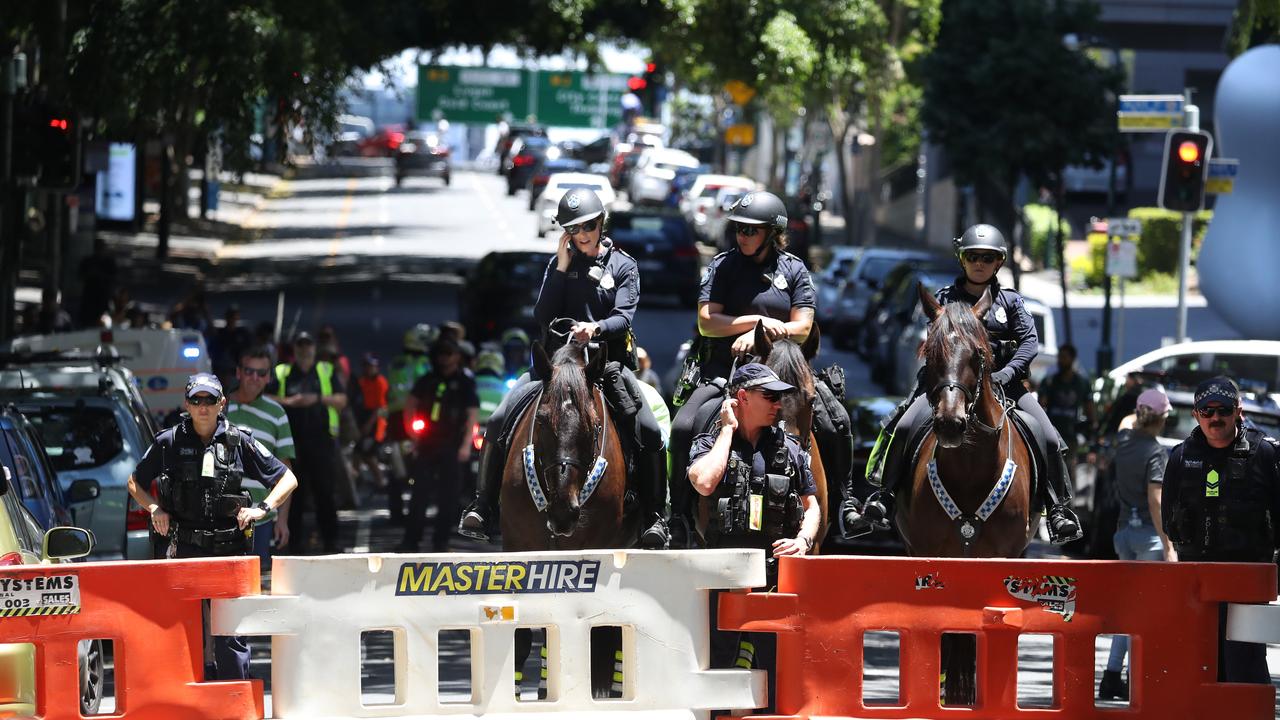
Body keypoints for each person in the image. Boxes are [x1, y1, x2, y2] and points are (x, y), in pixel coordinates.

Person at [847, 223, 1083, 544]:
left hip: (1004, 384)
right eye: (973, 256)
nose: (980, 263)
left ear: (999, 262)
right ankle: (884, 497)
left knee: (1049, 436)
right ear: (962, 258)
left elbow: (1029, 344)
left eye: (988, 257)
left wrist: (1008, 373)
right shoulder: (945, 299)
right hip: (949, 383)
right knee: (903, 427)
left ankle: (1058, 510)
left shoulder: (1011, 303)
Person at [460, 188, 670, 548]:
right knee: (498, 419)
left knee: (648, 428)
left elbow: (624, 317)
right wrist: (559, 267)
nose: (583, 233)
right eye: (574, 228)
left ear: (601, 223)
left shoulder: (623, 265)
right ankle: (483, 507)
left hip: (606, 365)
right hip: (557, 365)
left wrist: (596, 329)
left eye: (588, 225)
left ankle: (654, 517)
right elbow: (542, 315)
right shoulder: (560, 263)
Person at [126, 373, 298, 680]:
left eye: (209, 400)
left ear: (222, 403)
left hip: (227, 550)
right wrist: (155, 508)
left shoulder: (239, 441)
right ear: (187, 404)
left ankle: (235, 701)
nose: (203, 407)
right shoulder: (169, 441)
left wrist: (262, 508)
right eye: (196, 400)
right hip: (185, 551)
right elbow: (134, 482)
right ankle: (186, 705)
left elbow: (287, 478)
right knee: (182, 630)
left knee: (230, 634)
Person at [669, 191, 815, 546]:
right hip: (726, 371)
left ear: (773, 232)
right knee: (683, 424)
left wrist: (765, 332)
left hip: (783, 371)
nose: (743, 237)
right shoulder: (723, 265)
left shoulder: (794, 269)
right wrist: (755, 322)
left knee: (835, 420)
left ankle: (845, 503)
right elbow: (707, 322)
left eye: (752, 231)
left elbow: (804, 327)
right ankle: (675, 516)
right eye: (739, 230)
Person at [687, 362, 821, 713]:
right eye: (770, 396)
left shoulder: (789, 448)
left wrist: (804, 540)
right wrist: (727, 431)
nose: (779, 404)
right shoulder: (709, 442)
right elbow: (703, 482)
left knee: (776, 677)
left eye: (780, 397)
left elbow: (813, 505)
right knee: (717, 669)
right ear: (742, 397)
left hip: (772, 580)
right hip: (721, 578)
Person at [1161, 376, 1280, 684]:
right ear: (1196, 414)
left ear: (1238, 411)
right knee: (1201, 662)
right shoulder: (1180, 457)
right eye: (1207, 411)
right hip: (1197, 578)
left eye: (1223, 410)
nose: (1215, 418)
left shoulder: (1265, 454)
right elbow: (1168, 517)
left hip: (1248, 578)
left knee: (1246, 664)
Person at [1099, 387, 1174, 700]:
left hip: (1123, 535)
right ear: (1161, 419)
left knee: (1130, 610)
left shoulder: (1124, 440)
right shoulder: (1156, 452)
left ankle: (1112, 674)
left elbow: (1128, 419)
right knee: (1147, 614)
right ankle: (1137, 677)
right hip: (1148, 537)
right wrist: (1168, 545)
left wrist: (1144, 406)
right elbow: (1155, 500)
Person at [398, 338, 479, 552]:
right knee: (419, 495)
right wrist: (412, 434)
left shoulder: (464, 382)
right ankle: (411, 540)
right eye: (441, 354)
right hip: (426, 444)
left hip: (451, 446)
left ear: (457, 357)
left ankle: (440, 542)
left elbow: (472, 414)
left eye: (449, 354)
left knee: (448, 497)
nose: (444, 358)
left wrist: (465, 445)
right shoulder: (427, 379)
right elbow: (410, 405)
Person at [269, 332, 346, 554]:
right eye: (300, 345)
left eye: (308, 345)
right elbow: (265, 396)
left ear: (314, 348)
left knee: (325, 493)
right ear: (295, 349)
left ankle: (331, 541)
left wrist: (317, 399)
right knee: (294, 493)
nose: (304, 350)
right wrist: (289, 402)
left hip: (322, 442)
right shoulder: (283, 372)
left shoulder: (325, 370)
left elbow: (342, 400)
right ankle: (293, 543)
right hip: (292, 443)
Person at [225, 347, 296, 569]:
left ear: (268, 377)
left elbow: (285, 472)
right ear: (239, 373)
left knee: (255, 588)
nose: (255, 378)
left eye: (262, 373)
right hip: (221, 517)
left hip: (261, 519)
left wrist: (281, 520)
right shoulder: (219, 408)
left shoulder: (277, 414)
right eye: (249, 371)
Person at [1038, 343, 1096, 481]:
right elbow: (1041, 407)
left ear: (1072, 359)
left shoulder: (1082, 383)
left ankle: (1067, 501)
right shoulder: (1050, 381)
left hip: (1071, 436)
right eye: (1059, 357)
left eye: (1064, 357)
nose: (1060, 360)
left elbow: (1090, 412)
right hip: (1052, 434)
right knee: (1049, 471)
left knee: (1067, 472)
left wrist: (1090, 433)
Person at [352, 353, 390, 491]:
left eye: (371, 366)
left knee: (368, 453)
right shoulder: (362, 381)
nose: (368, 369)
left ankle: (381, 481)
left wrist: (369, 424)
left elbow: (380, 407)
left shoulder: (380, 382)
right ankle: (355, 480)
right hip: (363, 418)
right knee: (358, 452)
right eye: (366, 366)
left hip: (376, 422)